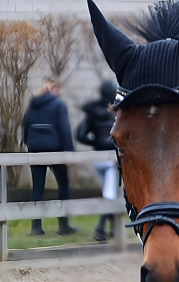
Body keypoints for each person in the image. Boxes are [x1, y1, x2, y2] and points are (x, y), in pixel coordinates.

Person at [22, 78, 77, 236]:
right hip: (55, 150)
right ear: (53, 89)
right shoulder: (58, 104)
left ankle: (36, 228)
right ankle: (63, 225)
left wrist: (30, 143)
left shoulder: (33, 104)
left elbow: (25, 127)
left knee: (37, 188)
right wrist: (70, 153)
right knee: (63, 185)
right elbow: (64, 129)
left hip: (36, 150)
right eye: (58, 90)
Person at [77, 80, 118, 242]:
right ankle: (100, 229)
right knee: (110, 195)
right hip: (112, 159)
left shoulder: (92, 111)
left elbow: (80, 135)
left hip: (97, 159)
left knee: (110, 194)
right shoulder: (117, 111)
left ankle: (113, 227)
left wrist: (96, 142)